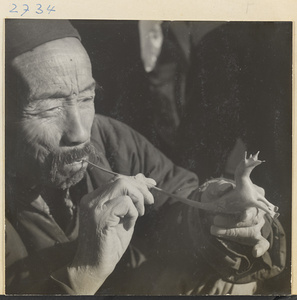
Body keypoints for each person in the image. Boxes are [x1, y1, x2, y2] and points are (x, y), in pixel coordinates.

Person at [5, 19, 286, 295]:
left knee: (227, 284)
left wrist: (213, 212)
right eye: (48, 108)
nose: (80, 132)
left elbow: (174, 196)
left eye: (86, 98)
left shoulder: (107, 137)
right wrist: (83, 273)